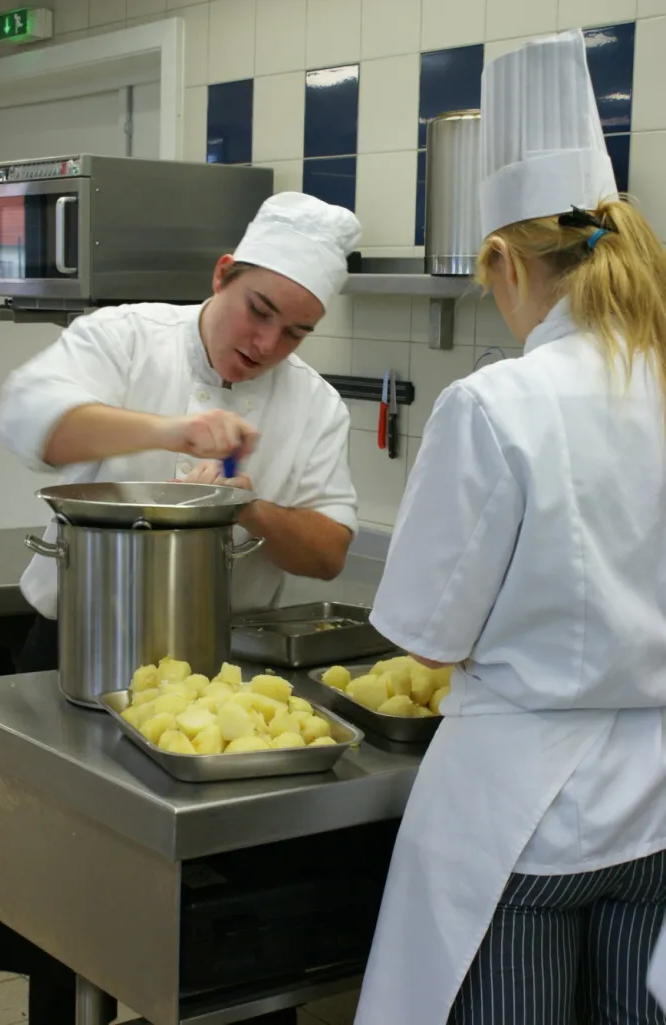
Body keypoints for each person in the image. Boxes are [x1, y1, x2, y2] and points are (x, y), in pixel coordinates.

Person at [0, 191, 361, 1025]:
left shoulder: (313, 406)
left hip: (222, 690)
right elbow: (31, 418)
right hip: (74, 657)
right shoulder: (125, 336)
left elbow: (329, 548)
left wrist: (248, 504)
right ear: (223, 274)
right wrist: (172, 433)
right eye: (257, 311)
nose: (266, 345)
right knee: (62, 907)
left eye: (295, 331)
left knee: (228, 931)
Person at [355, 28, 666, 1025]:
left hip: (518, 823)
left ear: (501, 258)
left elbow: (424, 630)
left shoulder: (499, 402)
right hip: (654, 808)